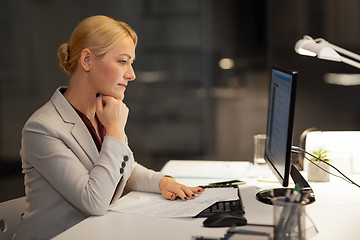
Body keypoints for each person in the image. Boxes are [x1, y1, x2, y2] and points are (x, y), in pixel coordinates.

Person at [13, 15, 204, 240]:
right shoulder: (42, 129)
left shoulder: (101, 111)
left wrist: (163, 182)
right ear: (87, 60)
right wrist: (115, 130)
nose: (131, 74)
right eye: (123, 61)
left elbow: (124, 169)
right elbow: (94, 201)